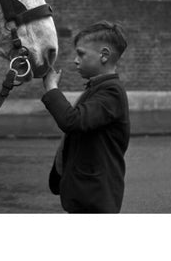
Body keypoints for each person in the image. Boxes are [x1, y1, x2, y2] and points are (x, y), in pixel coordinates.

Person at [41, 21, 130, 213]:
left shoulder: (111, 92)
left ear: (104, 56)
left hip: (96, 198)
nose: (75, 60)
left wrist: (51, 88)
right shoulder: (98, 87)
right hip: (85, 193)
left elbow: (72, 121)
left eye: (81, 54)